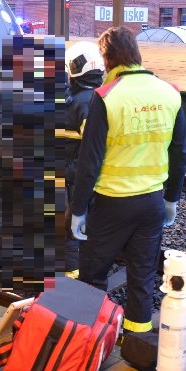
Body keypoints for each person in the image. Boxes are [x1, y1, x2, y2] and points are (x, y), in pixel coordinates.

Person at [69, 27, 186, 339]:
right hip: (151, 202)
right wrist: (171, 198)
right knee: (143, 274)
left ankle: (88, 341)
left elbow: (89, 161)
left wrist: (78, 209)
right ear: (137, 54)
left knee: (93, 273)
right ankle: (138, 340)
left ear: (107, 59)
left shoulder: (106, 97)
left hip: (112, 203)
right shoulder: (169, 92)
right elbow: (179, 153)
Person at [61, 41, 104, 278]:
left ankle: (73, 269)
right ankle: (75, 272)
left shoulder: (73, 97)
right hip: (78, 174)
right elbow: (93, 148)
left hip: (69, 172)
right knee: (74, 225)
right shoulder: (93, 100)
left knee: (70, 225)